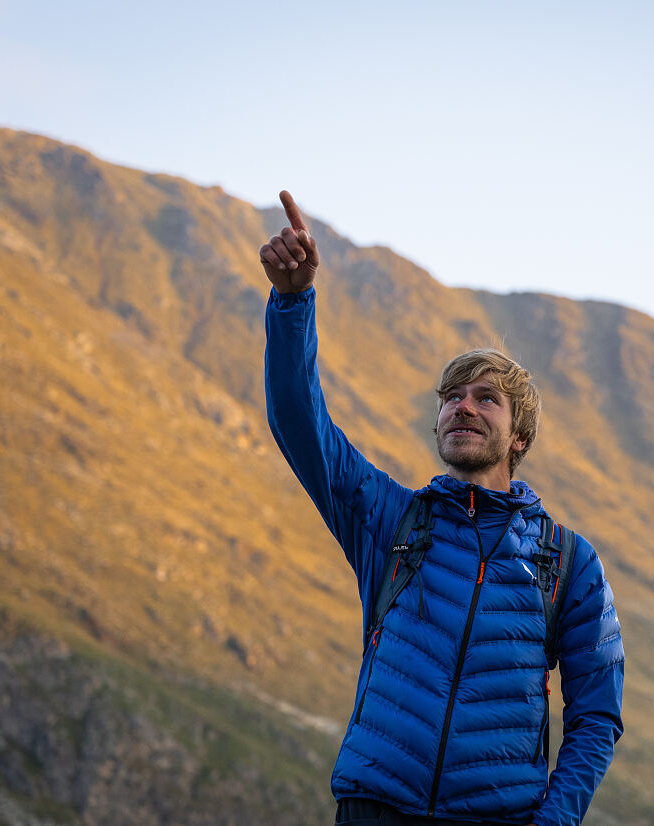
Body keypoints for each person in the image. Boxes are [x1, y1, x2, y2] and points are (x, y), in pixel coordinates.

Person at [259, 191, 624, 826]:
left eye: (487, 398)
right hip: (373, 809)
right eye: (451, 397)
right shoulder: (391, 520)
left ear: (520, 438)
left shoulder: (567, 562)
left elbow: (596, 716)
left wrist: (554, 819)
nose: (463, 406)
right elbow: (298, 419)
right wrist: (294, 301)